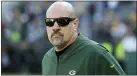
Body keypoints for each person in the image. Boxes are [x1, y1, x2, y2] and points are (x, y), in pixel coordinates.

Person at [42, 1, 126, 75]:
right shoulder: (47, 58)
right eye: (50, 22)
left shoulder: (96, 54)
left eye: (62, 21)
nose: (55, 27)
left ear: (75, 24)